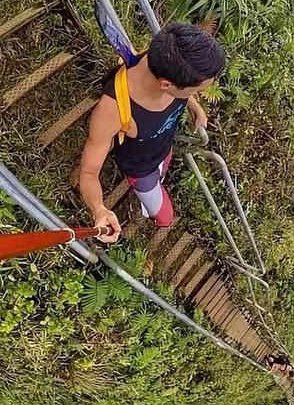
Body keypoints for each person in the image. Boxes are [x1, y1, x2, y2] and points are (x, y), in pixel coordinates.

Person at [79, 22, 226, 243]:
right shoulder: (114, 110)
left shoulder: (165, 58)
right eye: (198, 91)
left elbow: (184, 91)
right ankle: (153, 217)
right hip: (141, 170)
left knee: (163, 169)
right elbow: (88, 173)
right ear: (166, 85)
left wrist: (196, 108)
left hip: (163, 149)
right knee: (166, 216)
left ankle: (159, 178)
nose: (197, 94)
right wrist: (99, 209)